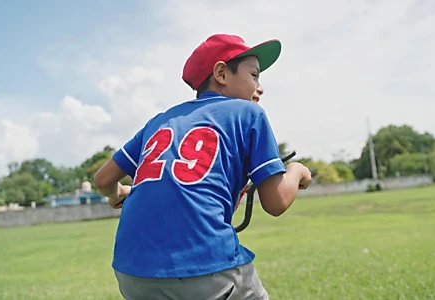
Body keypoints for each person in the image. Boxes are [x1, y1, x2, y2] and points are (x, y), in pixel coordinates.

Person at [94, 33, 312, 300]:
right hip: (205, 268)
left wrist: (119, 194)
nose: (260, 86)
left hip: (132, 273)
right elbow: (276, 202)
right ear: (221, 73)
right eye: (254, 75)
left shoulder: (159, 122)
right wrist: (297, 170)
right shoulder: (248, 113)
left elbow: (103, 180)